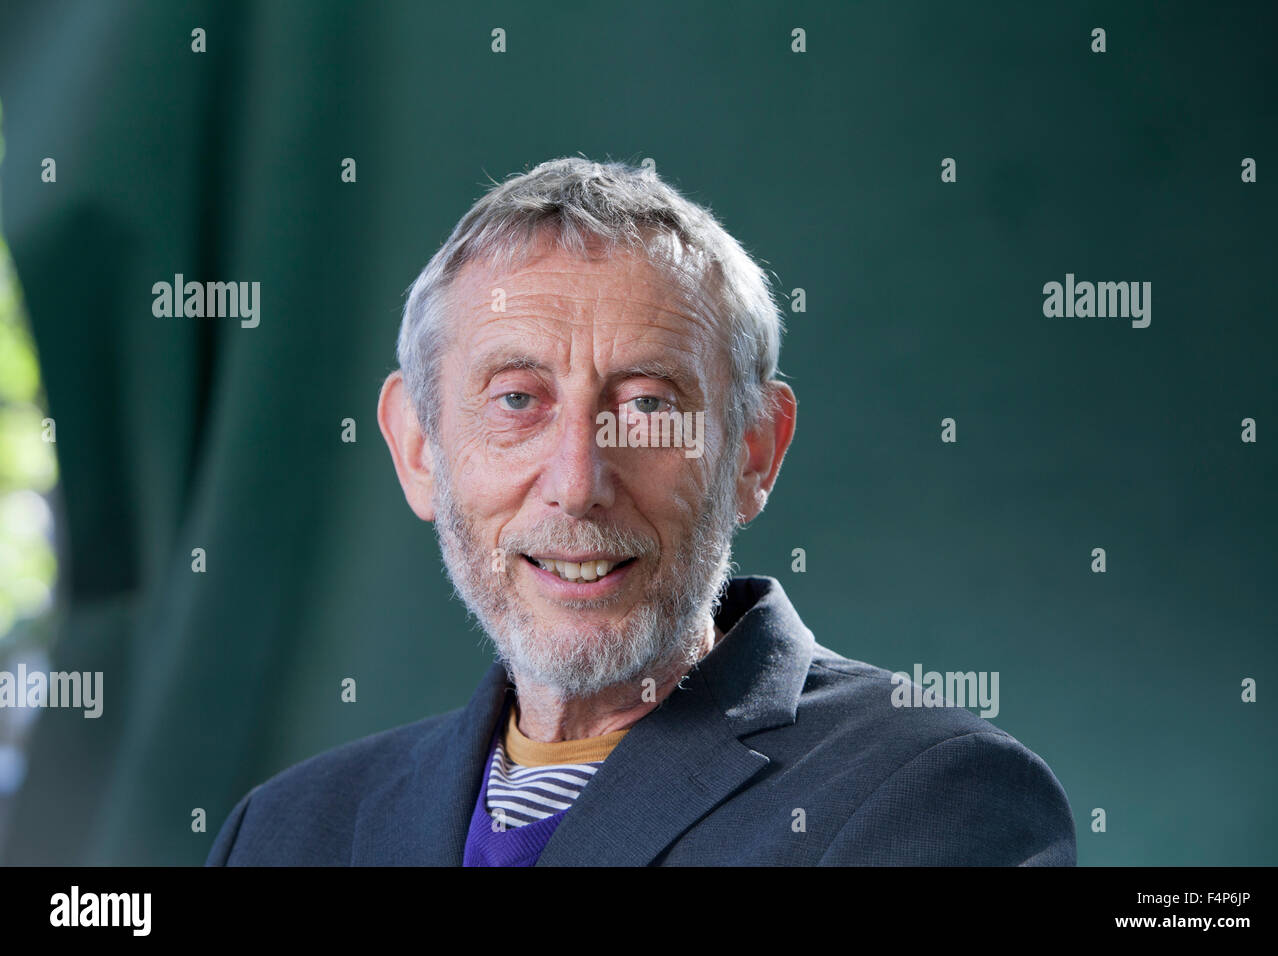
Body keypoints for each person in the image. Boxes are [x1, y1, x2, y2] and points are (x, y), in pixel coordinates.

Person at [206, 157, 1075, 866]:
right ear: (418, 447)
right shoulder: (282, 833)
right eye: (517, 400)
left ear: (753, 452)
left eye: (651, 407)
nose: (578, 482)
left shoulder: (934, 800)